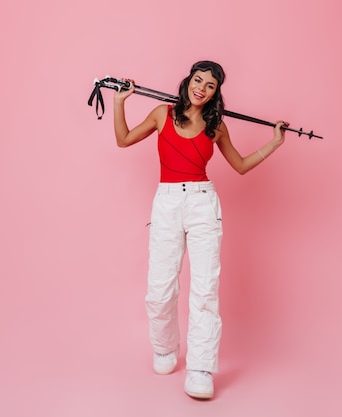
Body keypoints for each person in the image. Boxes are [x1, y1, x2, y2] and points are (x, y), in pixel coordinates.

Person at [113, 61, 289, 400]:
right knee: (160, 289)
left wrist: (274, 143)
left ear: (215, 93)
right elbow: (123, 140)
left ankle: (200, 368)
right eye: (198, 81)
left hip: (202, 204)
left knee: (205, 291)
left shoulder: (217, 126)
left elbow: (239, 166)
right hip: (166, 203)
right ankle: (165, 348)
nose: (201, 89)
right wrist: (120, 102)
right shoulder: (161, 114)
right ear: (188, 81)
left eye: (210, 86)